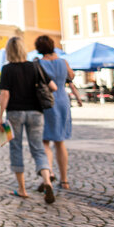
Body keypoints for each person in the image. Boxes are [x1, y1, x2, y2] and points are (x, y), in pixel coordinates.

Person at [0, 36, 58, 203]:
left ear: (9, 51)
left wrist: (0, 116)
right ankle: (47, 182)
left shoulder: (7, 69)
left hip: (15, 113)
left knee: (16, 148)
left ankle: (22, 189)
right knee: (38, 148)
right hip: (36, 112)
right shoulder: (35, 66)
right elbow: (53, 87)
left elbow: (5, 94)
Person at [35, 35, 76, 190]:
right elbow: (71, 76)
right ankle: (64, 180)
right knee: (60, 142)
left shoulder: (38, 63)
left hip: (46, 103)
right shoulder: (62, 61)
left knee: (45, 141)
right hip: (63, 102)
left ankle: (49, 172)